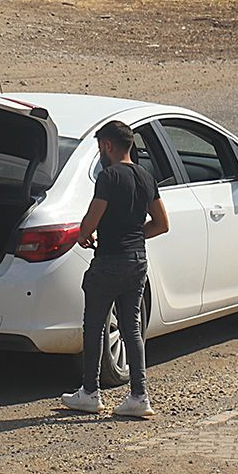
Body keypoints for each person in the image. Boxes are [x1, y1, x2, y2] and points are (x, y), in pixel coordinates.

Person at [62, 120, 169, 417]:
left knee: (94, 325)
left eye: (100, 148)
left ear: (108, 145)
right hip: (137, 261)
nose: (100, 154)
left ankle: (90, 392)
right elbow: (162, 223)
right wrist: (134, 235)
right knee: (131, 327)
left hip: (109, 260)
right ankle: (139, 396)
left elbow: (92, 219)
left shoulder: (109, 177)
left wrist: (85, 235)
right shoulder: (146, 176)